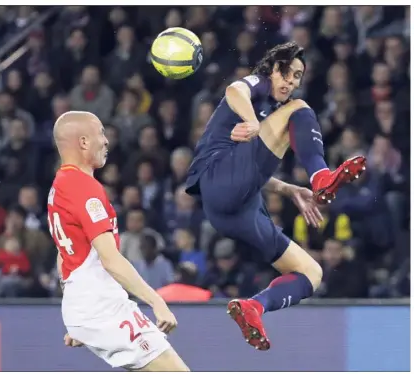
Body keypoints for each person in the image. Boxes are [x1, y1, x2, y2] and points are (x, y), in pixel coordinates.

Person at [185, 42, 366, 351]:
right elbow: (234, 91)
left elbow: (249, 170)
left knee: (311, 272)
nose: (292, 82)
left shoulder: (279, 109)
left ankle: (253, 308)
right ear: (273, 69)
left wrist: (287, 188)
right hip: (216, 180)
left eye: (298, 77)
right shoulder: (259, 84)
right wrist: (253, 121)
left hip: (237, 208)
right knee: (300, 109)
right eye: (289, 73)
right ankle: (321, 176)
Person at [47, 111, 189, 371]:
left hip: (89, 303)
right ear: (83, 142)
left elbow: (64, 253)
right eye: (100, 133)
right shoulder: (82, 187)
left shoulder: (60, 184)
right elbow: (110, 259)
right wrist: (156, 301)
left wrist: (80, 316)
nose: (106, 140)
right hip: (100, 305)